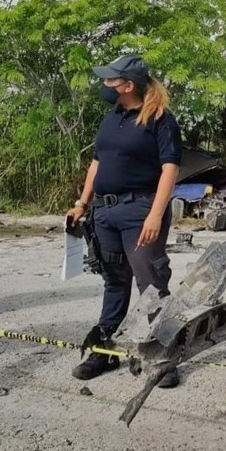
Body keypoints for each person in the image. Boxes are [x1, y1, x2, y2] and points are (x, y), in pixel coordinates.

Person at [66, 55, 182, 388]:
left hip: (140, 211)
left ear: (127, 85)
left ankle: (162, 356)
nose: (104, 86)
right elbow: (96, 163)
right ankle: (105, 350)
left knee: (152, 284)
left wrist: (156, 215)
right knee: (114, 281)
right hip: (104, 214)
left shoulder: (160, 119)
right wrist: (81, 203)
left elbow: (170, 169)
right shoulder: (111, 116)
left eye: (109, 81)